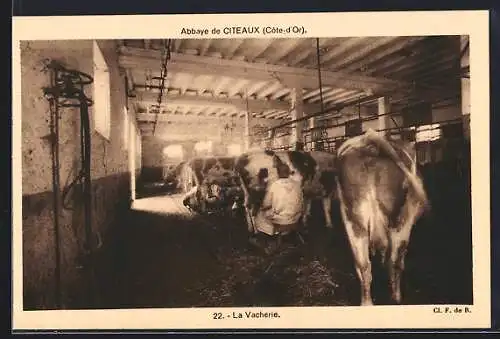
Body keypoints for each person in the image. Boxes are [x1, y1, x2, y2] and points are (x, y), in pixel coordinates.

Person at [249, 163, 305, 249]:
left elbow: (266, 204)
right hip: (296, 218)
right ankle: (287, 236)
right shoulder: (297, 184)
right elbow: (302, 202)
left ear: (278, 173)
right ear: (289, 173)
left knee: (259, 216)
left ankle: (265, 242)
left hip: (282, 220)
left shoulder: (274, 185)